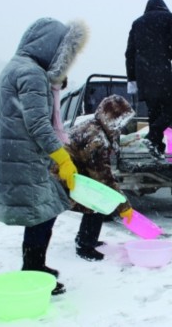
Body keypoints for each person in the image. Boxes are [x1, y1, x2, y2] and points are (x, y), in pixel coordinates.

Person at [0, 17, 89, 295]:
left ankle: (36, 265)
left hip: (19, 156)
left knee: (45, 212)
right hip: (26, 158)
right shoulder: (31, 73)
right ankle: (33, 273)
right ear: (52, 48)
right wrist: (63, 158)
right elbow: (38, 123)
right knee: (41, 214)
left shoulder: (17, 68)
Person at [62, 95, 136, 261]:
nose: (122, 125)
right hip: (63, 174)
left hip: (73, 171)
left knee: (96, 201)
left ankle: (86, 239)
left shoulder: (96, 126)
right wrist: (124, 206)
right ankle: (85, 246)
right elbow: (103, 178)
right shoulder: (96, 137)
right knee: (97, 202)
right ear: (112, 118)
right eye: (120, 120)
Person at [125, 0, 172, 160]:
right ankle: (152, 138)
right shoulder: (168, 18)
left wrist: (131, 79)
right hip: (161, 69)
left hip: (143, 75)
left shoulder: (137, 23)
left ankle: (156, 148)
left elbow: (129, 53)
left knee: (154, 111)